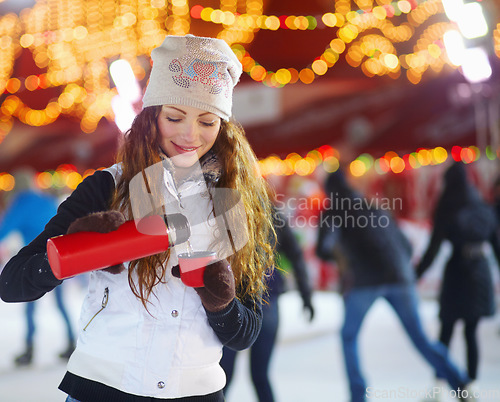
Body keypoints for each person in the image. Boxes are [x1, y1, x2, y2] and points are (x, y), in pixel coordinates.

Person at [0, 34, 275, 402]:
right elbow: (13, 284)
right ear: (151, 116)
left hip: (195, 393)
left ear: (223, 126)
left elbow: (245, 333)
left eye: (207, 121)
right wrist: (77, 250)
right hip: (101, 389)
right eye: (175, 116)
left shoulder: (230, 202)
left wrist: (220, 303)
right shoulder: (107, 187)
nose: (190, 135)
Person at [315, 169, 471, 402]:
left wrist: (341, 257)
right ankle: (460, 383)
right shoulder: (375, 207)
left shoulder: (333, 212)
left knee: (349, 337)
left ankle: (358, 396)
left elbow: (322, 249)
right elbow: (406, 247)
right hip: (400, 277)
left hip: (365, 281)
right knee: (420, 337)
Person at [416, 162, 500, 387]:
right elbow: (497, 246)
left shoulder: (448, 206)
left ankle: (438, 384)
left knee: (446, 330)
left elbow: (433, 249)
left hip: (457, 274)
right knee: (471, 333)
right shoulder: (482, 206)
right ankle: (470, 383)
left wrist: (415, 275)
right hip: (479, 273)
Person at [220, 207, 315, 402]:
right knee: (259, 376)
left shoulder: (227, 208)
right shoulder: (272, 214)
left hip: (237, 300)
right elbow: (296, 255)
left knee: (224, 376)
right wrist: (306, 296)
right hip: (264, 298)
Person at [0, 169, 75, 366]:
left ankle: (29, 349)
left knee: (30, 305)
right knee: (61, 304)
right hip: (58, 257)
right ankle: (71, 341)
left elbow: (4, 229)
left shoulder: (20, 203)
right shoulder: (46, 200)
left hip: (34, 261)